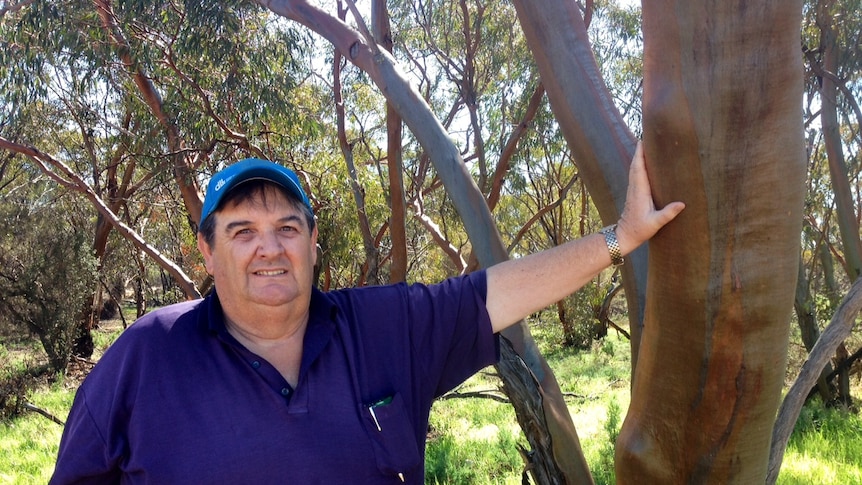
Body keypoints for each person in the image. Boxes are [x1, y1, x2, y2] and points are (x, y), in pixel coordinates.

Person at [50, 142, 683, 484]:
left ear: (313, 243)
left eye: (287, 227)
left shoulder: (383, 329)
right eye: (242, 231)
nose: (269, 248)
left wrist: (619, 239)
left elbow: (497, 292)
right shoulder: (146, 355)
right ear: (207, 252)